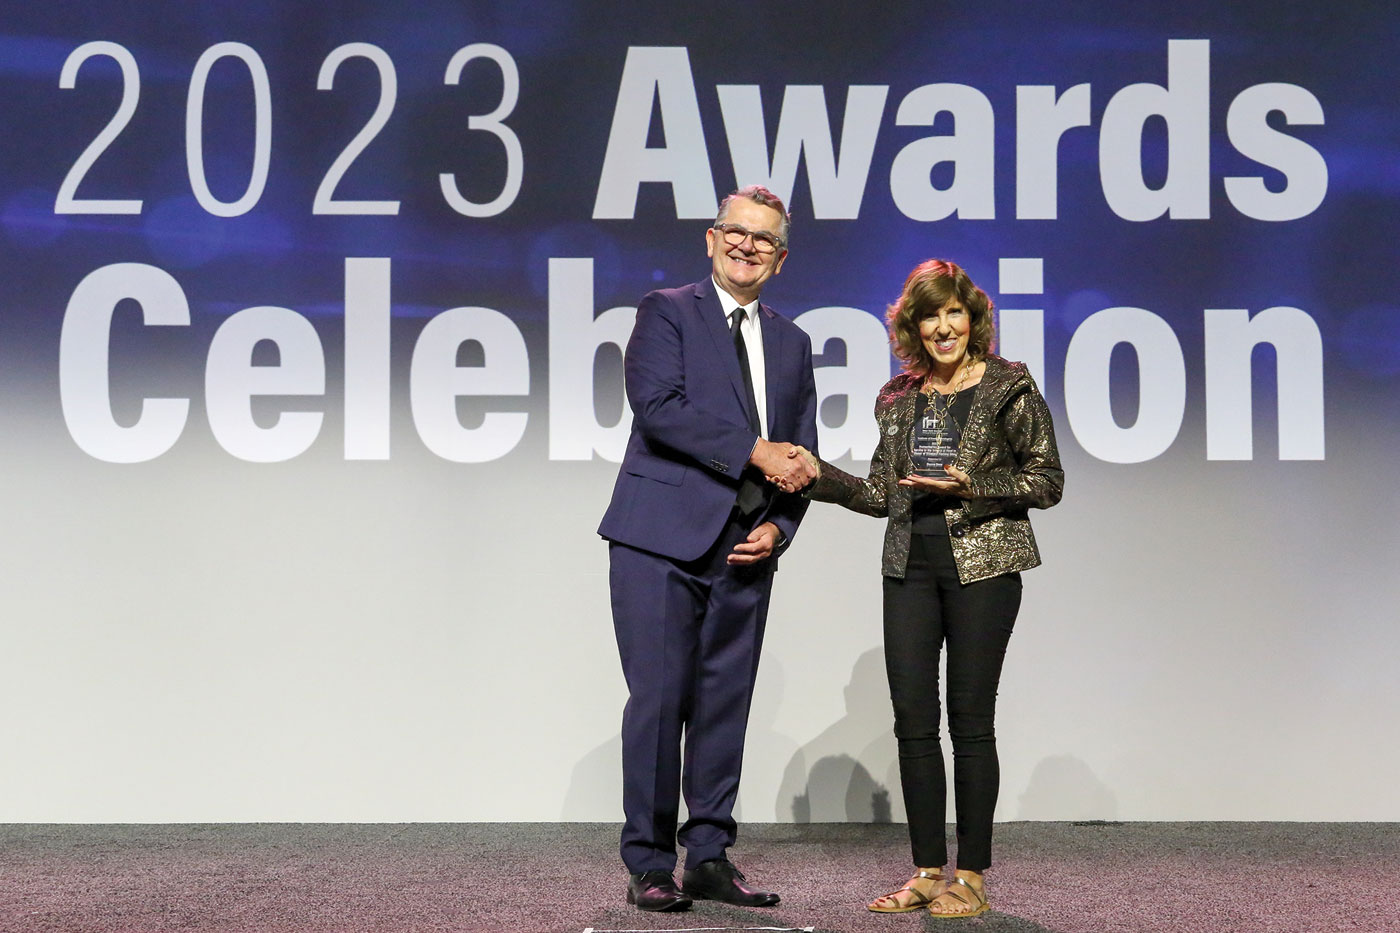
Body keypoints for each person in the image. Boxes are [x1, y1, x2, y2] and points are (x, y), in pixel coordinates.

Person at [783, 259, 1062, 918]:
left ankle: (972, 874)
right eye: (930, 315)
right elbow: (881, 493)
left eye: (954, 313)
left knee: (970, 722)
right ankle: (927, 869)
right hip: (909, 567)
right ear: (914, 325)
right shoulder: (896, 396)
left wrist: (973, 486)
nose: (943, 327)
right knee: (913, 724)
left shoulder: (1008, 387)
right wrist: (816, 473)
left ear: (973, 319)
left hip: (986, 568)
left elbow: (1046, 480)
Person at [598, 185, 819, 912]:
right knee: (660, 703)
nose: (747, 245)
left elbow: (801, 456)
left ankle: (711, 856)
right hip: (658, 541)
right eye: (736, 231)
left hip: (745, 549)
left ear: (780, 258)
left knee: (726, 704)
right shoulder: (667, 311)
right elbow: (659, 410)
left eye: (763, 239)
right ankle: (651, 862)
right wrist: (756, 452)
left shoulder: (792, 343)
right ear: (711, 238)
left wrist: (781, 526)